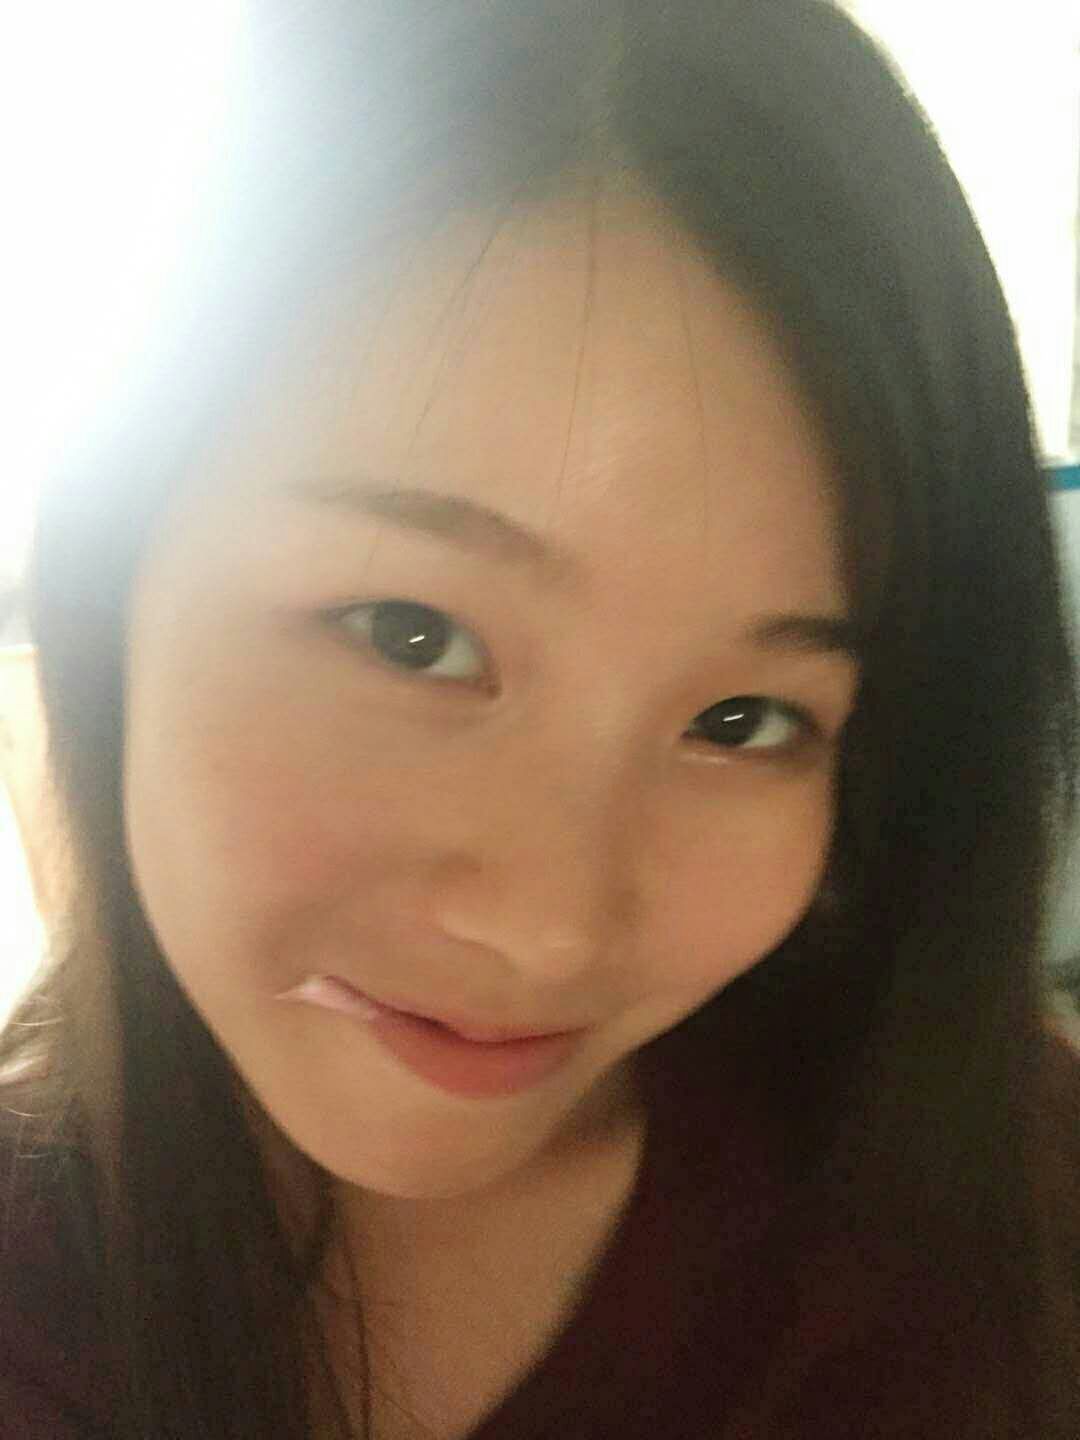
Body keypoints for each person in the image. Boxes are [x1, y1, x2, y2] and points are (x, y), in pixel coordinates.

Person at [2, 2, 1078, 1435]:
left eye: (744, 719)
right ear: (116, 572)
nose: (549, 931)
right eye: (412, 634)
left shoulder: (1002, 1185)